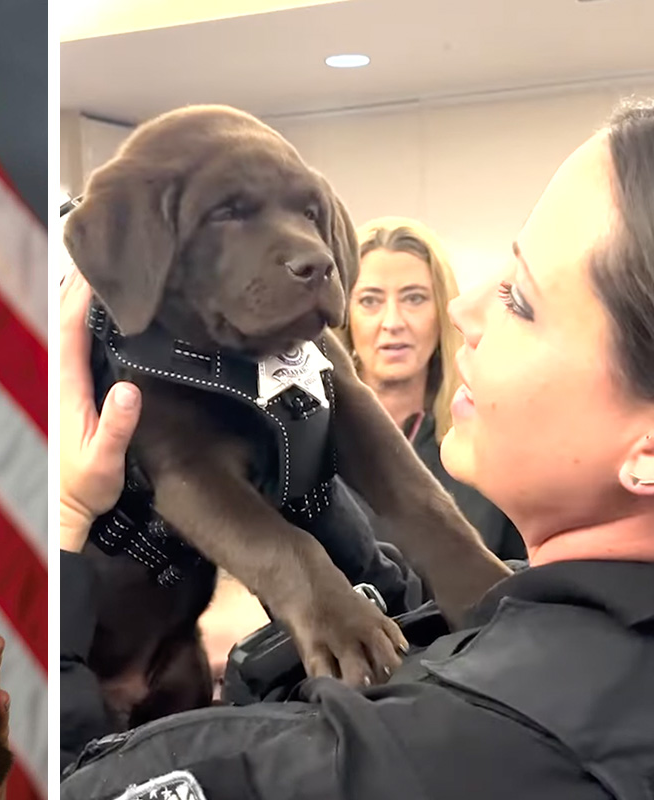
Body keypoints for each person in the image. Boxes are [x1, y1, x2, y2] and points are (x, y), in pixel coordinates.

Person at [61, 100, 654, 799]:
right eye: (230, 213)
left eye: (519, 300)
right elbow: (397, 584)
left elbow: (71, 775)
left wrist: (65, 520)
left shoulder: (358, 761)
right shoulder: (593, 646)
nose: (463, 312)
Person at [344, 217, 525, 559]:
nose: (393, 322)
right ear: (345, 316)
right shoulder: (312, 447)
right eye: (370, 300)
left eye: (414, 299)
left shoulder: (486, 443)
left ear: (442, 313)